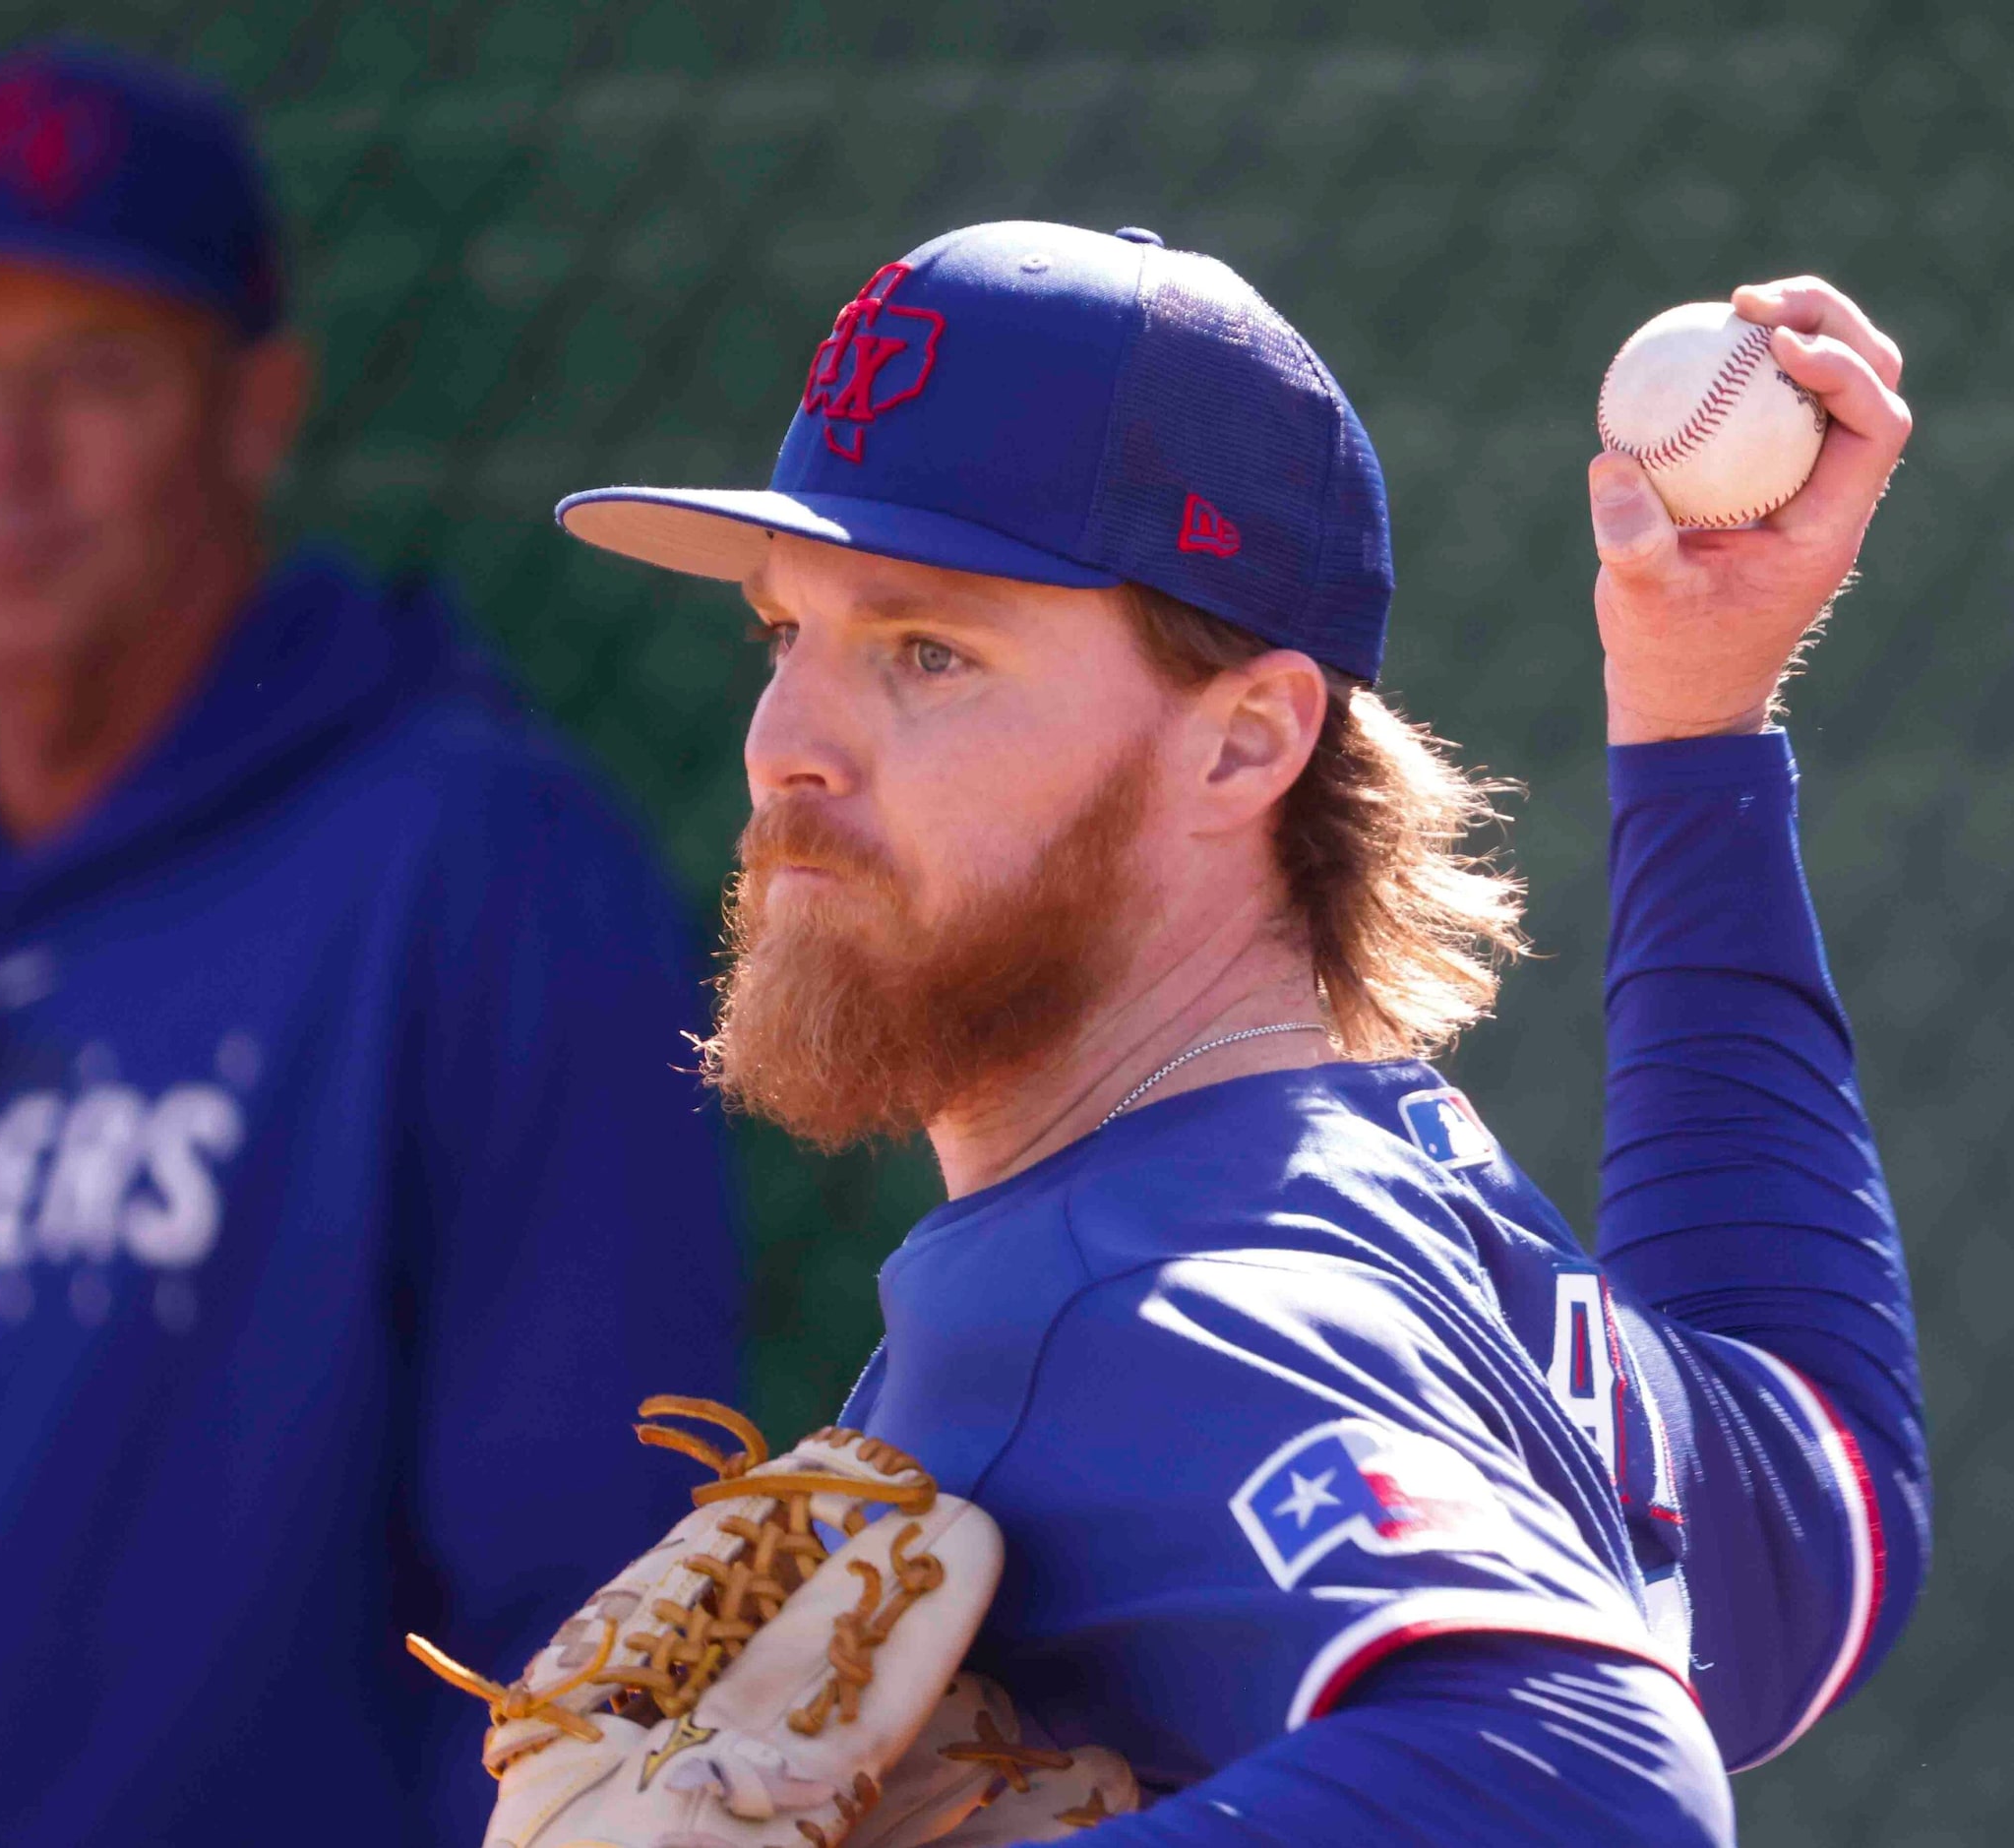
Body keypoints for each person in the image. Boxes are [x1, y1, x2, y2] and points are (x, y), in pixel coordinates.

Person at [548, 222, 1924, 1840]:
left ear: (1244, 742)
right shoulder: (1402, 1211)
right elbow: (1816, 1477)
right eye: (788, 632)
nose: (787, 744)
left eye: (926, 650)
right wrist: (1695, 720)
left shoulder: (1142, 1299)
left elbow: (1600, 1781)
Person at [0, 40, 738, 1847]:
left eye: (91, 372)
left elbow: (582, 1620)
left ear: (253, 408)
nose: (3, 459)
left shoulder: (477, 873)